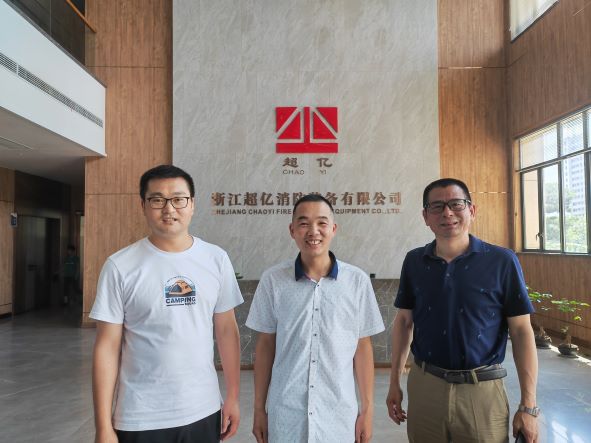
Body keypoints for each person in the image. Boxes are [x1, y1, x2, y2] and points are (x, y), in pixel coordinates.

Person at [90, 165, 243, 443]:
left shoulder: (216, 259)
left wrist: (232, 397)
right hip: (141, 416)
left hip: (203, 409)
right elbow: (107, 347)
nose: (169, 209)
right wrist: (103, 426)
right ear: (143, 206)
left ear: (192, 204)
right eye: (157, 200)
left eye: (178, 199)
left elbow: (226, 331)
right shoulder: (120, 266)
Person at [386, 178, 539, 443]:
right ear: (425, 216)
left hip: (482, 390)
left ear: (472, 210)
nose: (447, 213)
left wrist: (529, 406)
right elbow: (404, 322)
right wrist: (394, 383)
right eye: (437, 206)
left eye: (456, 204)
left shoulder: (502, 261)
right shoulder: (414, 261)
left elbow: (521, 331)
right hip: (425, 386)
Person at [246, 194, 385, 443]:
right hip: (286, 414)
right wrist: (259, 409)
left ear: (334, 229)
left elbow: (362, 347)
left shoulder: (356, 281)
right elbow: (265, 345)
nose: (313, 231)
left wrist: (367, 410)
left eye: (322, 223)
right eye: (303, 223)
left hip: (338, 414)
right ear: (292, 230)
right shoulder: (273, 280)